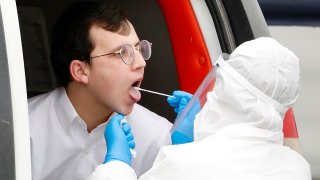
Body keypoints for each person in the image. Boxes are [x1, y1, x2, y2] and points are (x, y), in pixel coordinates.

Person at [87, 37, 311, 180]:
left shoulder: (186, 166)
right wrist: (197, 140)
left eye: (219, 86)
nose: (211, 94)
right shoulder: (296, 166)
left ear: (233, 96)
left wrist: (117, 164)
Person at [28, 1, 172, 180]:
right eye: (122, 53)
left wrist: (190, 147)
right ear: (80, 71)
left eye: (139, 49)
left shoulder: (159, 137)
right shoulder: (22, 130)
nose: (141, 63)